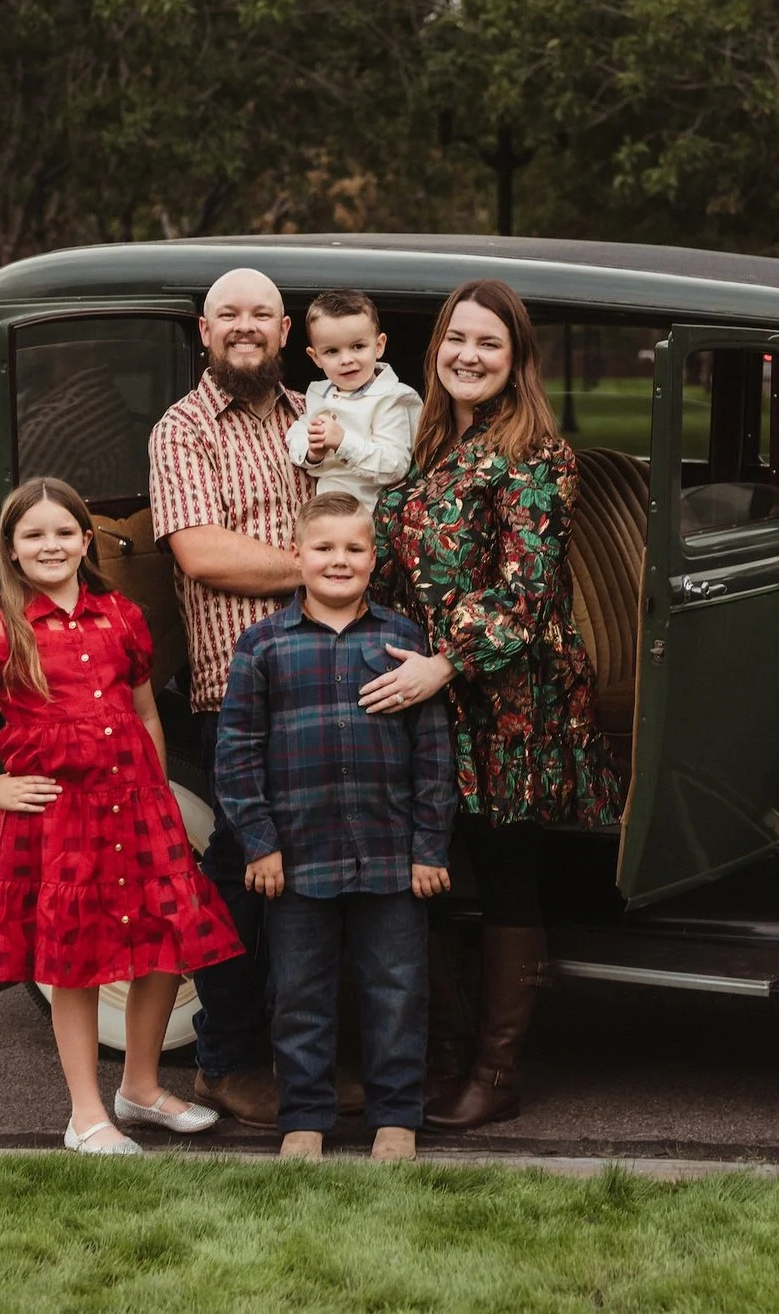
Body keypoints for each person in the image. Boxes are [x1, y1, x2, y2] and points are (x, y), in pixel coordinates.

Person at [0, 476, 239, 1155]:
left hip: (140, 810)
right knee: (77, 962)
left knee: (163, 942)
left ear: (87, 540)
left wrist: (161, 798)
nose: (51, 545)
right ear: (13, 549)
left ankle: (139, 1089)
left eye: (64, 532)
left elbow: (144, 711)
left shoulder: (121, 615)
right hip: (63, 819)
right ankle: (86, 1115)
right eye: (34, 535)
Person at [362, 277, 624, 1131]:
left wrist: (445, 662)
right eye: (456, 339)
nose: (468, 355)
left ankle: (496, 1071)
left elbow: (528, 593)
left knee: (505, 873)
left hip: (508, 699)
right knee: (431, 868)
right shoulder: (432, 438)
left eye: (489, 344)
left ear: (517, 362)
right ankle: (438, 1057)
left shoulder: (535, 453)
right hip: (423, 691)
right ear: (437, 346)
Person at [215, 492, 456, 1163]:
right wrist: (259, 841)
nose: (339, 560)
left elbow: (434, 752)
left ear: (375, 558)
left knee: (398, 988)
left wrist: (429, 846)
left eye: (354, 548)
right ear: (298, 555)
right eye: (324, 547)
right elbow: (236, 754)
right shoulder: (264, 644)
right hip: (298, 857)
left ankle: (396, 1117)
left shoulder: (404, 641)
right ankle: (305, 1117)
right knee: (299, 993)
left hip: (391, 856)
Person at [148, 267, 315, 1128]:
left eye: (261, 313)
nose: (245, 327)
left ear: (285, 330)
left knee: (313, 875)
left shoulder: (313, 419)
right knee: (246, 874)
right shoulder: (182, 430)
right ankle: (225, 1058)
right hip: (238, 689)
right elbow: (202, 553)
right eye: (228, 315)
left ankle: (308, 1062)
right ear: (203, 331)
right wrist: (316, 567)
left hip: (329, 677)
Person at [285, 289, 422, 512]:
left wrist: (343, 443)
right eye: (332, 351)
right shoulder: (320, 395)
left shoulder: (392, 398)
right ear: (315, 357)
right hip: (323, 513)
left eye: (358, 347)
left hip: (372, 515)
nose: (347, 359)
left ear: (379, 346)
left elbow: (394, 466)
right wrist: (312, 452)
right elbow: (294, 438)